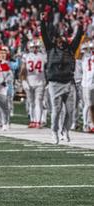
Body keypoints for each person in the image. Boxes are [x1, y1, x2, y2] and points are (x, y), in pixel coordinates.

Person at [40, 11, 83, 144]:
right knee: (56, 110)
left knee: (70, 111)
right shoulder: (50, 49)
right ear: (56, 41)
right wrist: (43, 22)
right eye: (59, 40)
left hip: (68, 83)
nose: (61, 41)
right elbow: (44, 35)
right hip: (54, 83)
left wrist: (80, 26)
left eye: (63, 39)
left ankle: (65, 130)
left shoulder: (70, 49)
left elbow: (77, 38)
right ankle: (54, 131)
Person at [20, 40, 47, 128]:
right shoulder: (41, 56)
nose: (35, 49)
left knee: (37, 102)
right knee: (31, 102)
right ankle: (33, 120)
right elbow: (23, 70)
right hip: (30, 81)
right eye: (33, 47)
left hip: (39, 82)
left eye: (36, 47)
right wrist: (23, 81)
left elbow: (22, 70)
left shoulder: (29, 56)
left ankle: (37, 121)